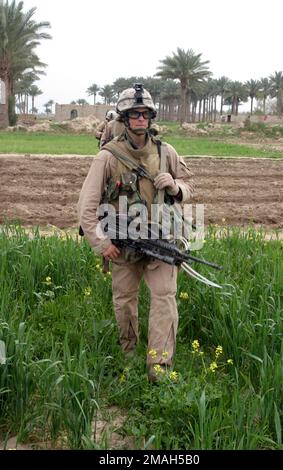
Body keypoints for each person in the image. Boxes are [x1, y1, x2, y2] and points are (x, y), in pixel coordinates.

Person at [78, 84, 194, 382]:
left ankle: (159, 368)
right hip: (122, 244)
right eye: (134, 114)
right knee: (125, 301)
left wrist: (175, 186)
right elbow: (86, 206)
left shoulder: (167, 152)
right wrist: (100, 243)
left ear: (151, 117)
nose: (140, 118)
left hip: (161, 241)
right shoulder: (108, 156)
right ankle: (128, 357)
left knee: (164, 299)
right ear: (125, 118)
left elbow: (189, 187)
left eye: (144, 113)